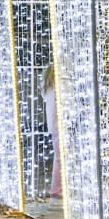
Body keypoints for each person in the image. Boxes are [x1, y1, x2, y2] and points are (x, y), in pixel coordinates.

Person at [42, 63, 63, 199]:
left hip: (54, 127)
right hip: (60, 126)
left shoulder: (46, 88)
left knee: (59, 158)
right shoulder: (58, 88)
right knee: (60, 159)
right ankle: (56, 189)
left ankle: (57, 189)